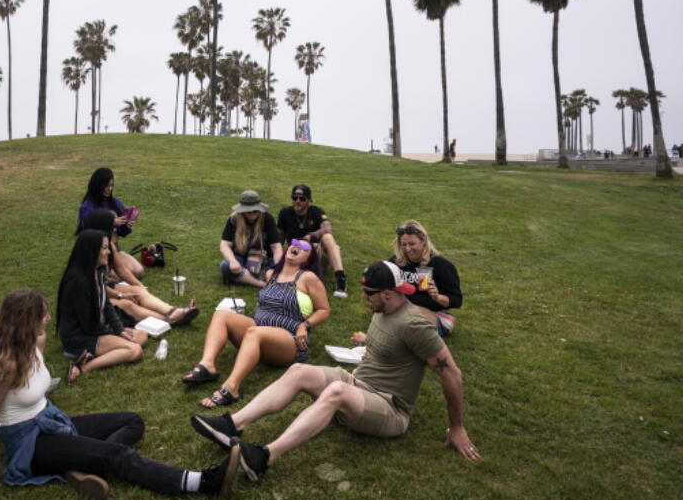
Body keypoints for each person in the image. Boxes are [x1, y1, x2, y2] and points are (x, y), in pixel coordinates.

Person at [0, 289, 242, 500]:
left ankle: (79, 466)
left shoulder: (36, 344)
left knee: (133, 421)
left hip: (52, 423)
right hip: (30, 444)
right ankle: (202, 483)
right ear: (25, 321)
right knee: (117, 455)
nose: (48, 319)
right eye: (42, 314)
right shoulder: (5, 365)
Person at [187, 262, 482, 484]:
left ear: (390, 293)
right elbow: (392, 343)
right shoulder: (383, 310)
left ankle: (264, 457)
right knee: (299, 369)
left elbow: (452, 373)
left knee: (336, 392)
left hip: (390, 408)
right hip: (360, 384)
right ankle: (233, 424)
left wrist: (456, 426)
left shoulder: (415, 325)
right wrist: (370, 342)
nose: (364, 297)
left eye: (369, 293)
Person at [183, 239, 330, 408]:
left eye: (304, 247)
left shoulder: (308, 278)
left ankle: (232, 388)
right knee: (221, 314)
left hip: (289, 338)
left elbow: (324, 310)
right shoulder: (271, 274)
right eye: (295, 242)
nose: (297, 246)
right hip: (259, 328)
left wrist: (305, 325)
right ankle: (207, 366)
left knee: (254, 332)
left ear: (307, 259)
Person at [55, 230, 149, 381]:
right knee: (135, 350)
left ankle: (103, 353)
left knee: (142, 334)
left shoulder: (96, 272)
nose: (108, 252)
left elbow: (106, 304)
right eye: (104, 248)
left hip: (97, 329)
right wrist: (112, 334)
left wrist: (119, 330)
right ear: (92, 251)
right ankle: (83, 367)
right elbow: (88, 325)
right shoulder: (79, 282)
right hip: (80, 338)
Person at [80, 208, 199, 326]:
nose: (115, 229)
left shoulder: (108, 245)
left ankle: (173, 311)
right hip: (92, 297)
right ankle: (168, 320)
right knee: (128, 304)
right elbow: (96, 288)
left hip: (104, 288)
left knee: (138, 292)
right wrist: (120, 295)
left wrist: (140, 286)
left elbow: (122, 271)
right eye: (112, 226)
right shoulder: (88, 251)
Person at [391, 220, 462, 337]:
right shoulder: (396, 262)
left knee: (407, 315)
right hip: (404, 310)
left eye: (412, 244)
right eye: (404, 244)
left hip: (436, 315)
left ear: (423, 241)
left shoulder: (440, 264)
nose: (408, 249)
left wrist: (436, 296)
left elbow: (457, 300)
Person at [276, 184, 347, 298]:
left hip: (315, 253)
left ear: (309, 200)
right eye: (295, 198)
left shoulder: (316, 211)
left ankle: (340, 278)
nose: (298, 201)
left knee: (327, 237)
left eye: (302, 198)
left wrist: (311, 236)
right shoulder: (285, 213)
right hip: (297, 254)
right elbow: (279, 237)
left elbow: (327, 229)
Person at [77, 167, 143, 278]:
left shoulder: (115, 203)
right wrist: (110, 222)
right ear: (98, 185)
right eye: (107, 186)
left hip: (115, 249)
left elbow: (122, 232)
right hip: (98, 252)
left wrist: (127, 223)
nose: (110, 189)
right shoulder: (87, 207)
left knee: (139, 271)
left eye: (112, 185)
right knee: (117, 278)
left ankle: (116, 268)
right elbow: (88, 232)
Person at [219, 190, 283, 287]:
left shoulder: (267, 218)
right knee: (225, 266)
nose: (252, 213)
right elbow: (225, 244)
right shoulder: (234, 219)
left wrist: (278, 265)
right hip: (240, 257)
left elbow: (276, 246)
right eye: (248, 211)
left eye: (255, 210)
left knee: (280, 267)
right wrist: (232, 261)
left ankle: (244, 277)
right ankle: (260, 283)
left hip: (263, 258)